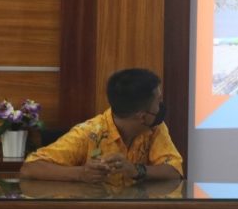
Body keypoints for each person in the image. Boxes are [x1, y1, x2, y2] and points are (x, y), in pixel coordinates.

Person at [20, 68, 183, 185]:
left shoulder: (155, 127)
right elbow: (30, 168)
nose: (161, 106)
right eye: (158, 101)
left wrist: (136, 170)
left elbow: (174, 171)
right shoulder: (89, 132)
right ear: (141, 116)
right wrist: (81, 174)